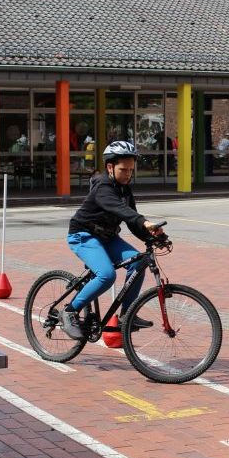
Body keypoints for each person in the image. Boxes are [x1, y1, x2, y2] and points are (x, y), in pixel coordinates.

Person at [59, 141, 164, 340]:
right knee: (106, 275)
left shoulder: (125, 189)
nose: (128, 175)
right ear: (110, 167)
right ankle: (70, 311)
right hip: (83, 236)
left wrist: (153, 236)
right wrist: (144, 221)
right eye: (123, 170)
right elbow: (119, 209)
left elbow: (131, 218)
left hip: (107, 238)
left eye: (131, 170)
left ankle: (127, 315)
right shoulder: (103, 187)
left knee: (139, 261)